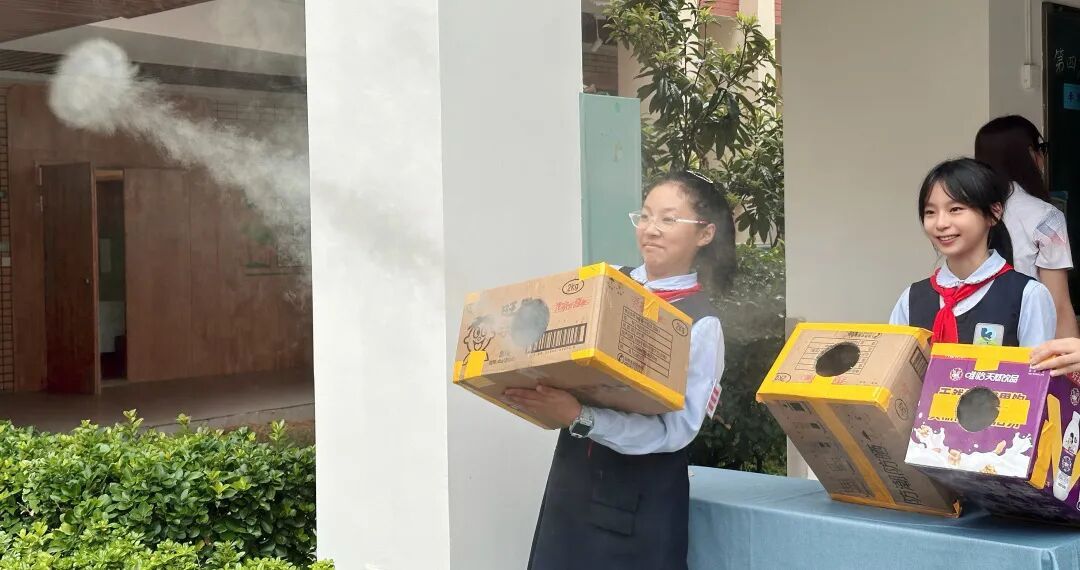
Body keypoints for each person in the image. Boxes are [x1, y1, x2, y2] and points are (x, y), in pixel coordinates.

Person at [505, 170, 735, 570]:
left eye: (668, 219)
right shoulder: (606, 283)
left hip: (639, 504)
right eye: (645, 216)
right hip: (571, 486)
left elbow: (675, 432)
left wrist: (581, 417)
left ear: (705, 233)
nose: (651, 229)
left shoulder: (701, 324)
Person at [889, 158, 1055, 347]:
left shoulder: (1028, 296)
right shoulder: (911, 299)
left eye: (955, 209)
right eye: (930, 212)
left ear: (994, 213)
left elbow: (1036, 366)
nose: (941, 223)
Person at [976, 115, 1078, 337]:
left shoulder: (968, 211)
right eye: (1042, 148)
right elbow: (1058, 306)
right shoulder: (1046, 217)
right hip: (1028, 340)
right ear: (1030, 153)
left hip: (970, 334)